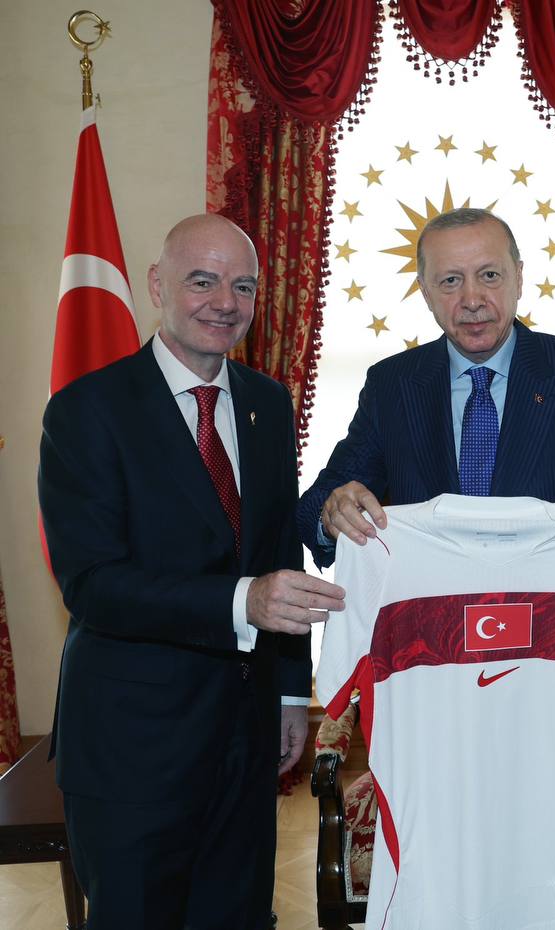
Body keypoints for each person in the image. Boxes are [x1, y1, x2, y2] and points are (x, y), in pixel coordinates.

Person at [37, 214, 344, 929]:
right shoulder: (87, 410)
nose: (225, 303)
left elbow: (278, 555)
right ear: (157, 285)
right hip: (131, 747)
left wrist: (291, 693)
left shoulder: (268, 404)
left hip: (246, 741)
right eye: (202, 281)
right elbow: (92, 584)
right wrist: (242, 602)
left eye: (244, 286)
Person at [297, 207, 555, 563]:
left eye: (489, 275)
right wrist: (332, 514)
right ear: (425, 292)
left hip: (546, 596)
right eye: (450, 281)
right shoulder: (391, 384)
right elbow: (317, 504)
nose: (472, 300)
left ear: (519, 278)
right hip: (432, 596)